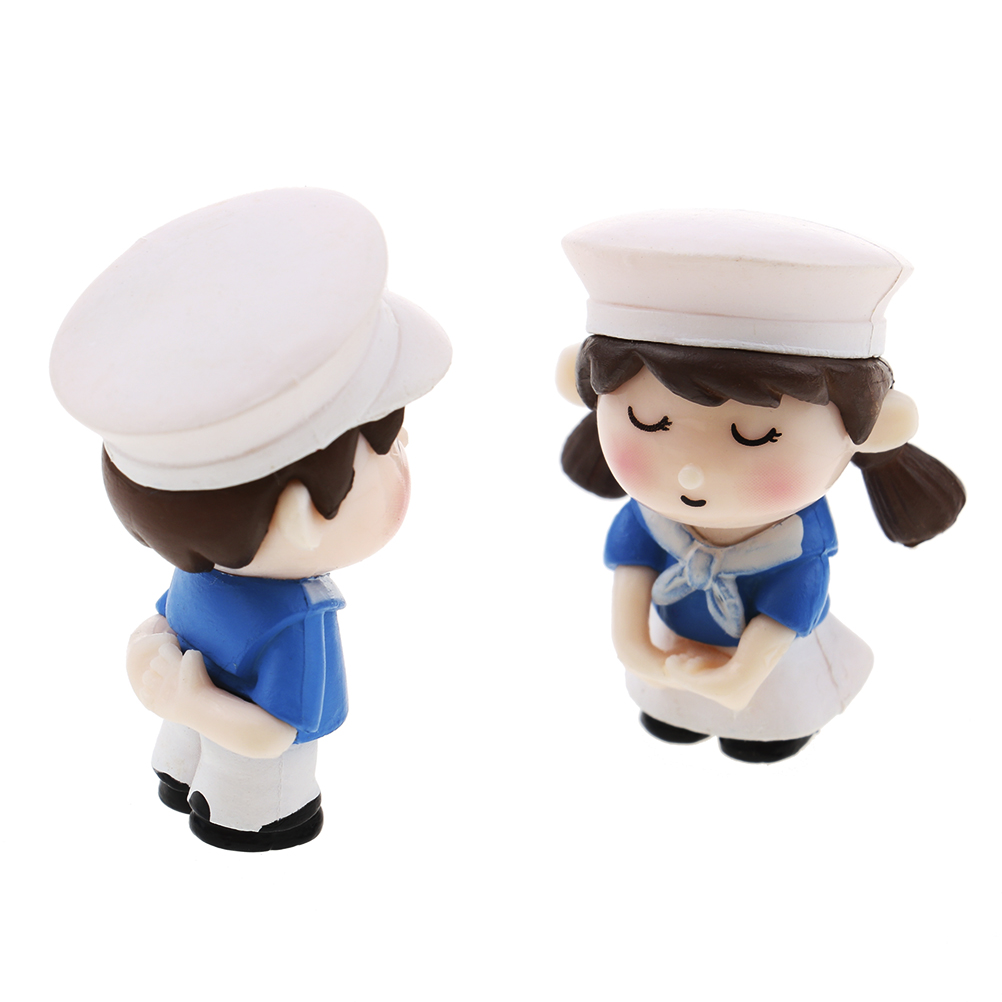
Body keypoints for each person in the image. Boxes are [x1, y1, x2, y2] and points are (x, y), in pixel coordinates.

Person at [51, 188, 452, 847]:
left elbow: (197, 649)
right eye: (392, 447)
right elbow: (278, 731)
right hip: (243, 760)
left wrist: (177, 694)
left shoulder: (207, 577)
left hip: (201, 721)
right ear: (302, 515)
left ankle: (188, 782)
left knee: (204, 772)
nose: (405, 450)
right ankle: (236, 808)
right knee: (239, 795)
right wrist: (172, 685)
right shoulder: (298, 619)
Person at [558, 209, 964, 762]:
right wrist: (649, 662)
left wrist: (727, 679)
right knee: (669, 719)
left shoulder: (798, 548)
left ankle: (765, 732)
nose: (692, 472)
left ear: (869, 431)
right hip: (672, 656)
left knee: (764, 724)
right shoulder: (646, 520)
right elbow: (628, 623)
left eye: (754, 436)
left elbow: (763, 651)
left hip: (772, 675)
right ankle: (674, 710)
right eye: (648, 423)